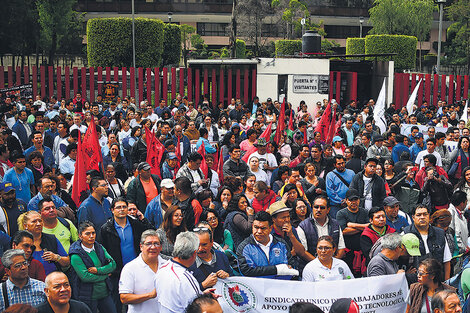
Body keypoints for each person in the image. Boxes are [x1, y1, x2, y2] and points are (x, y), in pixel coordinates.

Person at [99, 197, 151, 311]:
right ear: (112, 210)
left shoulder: (136, 224)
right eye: (118, 207)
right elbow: (102, 250)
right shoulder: (106, 229)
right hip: (116, 272)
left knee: (138, 301)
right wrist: (108, 269)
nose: (121, 210)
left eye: (124, 207)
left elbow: (148, 236)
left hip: (137, 269)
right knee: (117, 304)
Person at [68, 221, 117, 313]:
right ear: (80, 236)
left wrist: (98, 270)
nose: (91, 236)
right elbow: (85, 277)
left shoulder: (99, 247)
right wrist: (105, 275)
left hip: (105, 293)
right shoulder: (75, 254)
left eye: (93, 233)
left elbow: (113, 264)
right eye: (87, 233)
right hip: (87, 296)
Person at [237, 211, 298, 279]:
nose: (259, 231)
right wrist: (276, 269)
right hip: (257, 288)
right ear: (252, 227)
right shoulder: (244, 247)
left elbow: (291, 266)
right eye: (256, 227)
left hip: (282, 286)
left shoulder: (281, 244)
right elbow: (247, 271)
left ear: (270, 228)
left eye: (263, 228)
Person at [155, 231, 204, 313]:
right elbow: (198, 308)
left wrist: (202, 294)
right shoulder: (185, 278)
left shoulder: (162, 268)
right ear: (194, 253)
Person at [119, 230, 164, 313]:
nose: (153, 247)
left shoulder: (167, 266)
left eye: (156, 243)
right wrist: (150, 295)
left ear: (161, 247)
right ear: (141, 246)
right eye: (148, 244)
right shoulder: (130, 268)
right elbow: (124, 298)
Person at [403, 205, 452, 280]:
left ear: (429, 216)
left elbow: (447, 260)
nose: (422, 217)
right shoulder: (405, 234)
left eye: (425, 214)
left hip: (436, 280)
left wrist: (447, 281)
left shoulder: (440, 233)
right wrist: (405, 274)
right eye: (418, 215)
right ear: (413, 217)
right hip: (415, 281)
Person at [20, 211, 70, 275]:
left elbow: (67, 262)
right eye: (34, 221)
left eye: (40, 221)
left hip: (53, 278)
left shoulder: (51, 239)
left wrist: (56, 257)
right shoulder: (21, 242)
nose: (38, 224)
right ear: (25, 226)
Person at [268, 201, 314, 267]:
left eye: (288, 216)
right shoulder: (269, 233)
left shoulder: (291, 229)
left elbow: (301, 252)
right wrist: (290, 254)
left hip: (295, 266)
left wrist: (291, 235)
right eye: (283, 217)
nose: (287, 220)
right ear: (274, 219)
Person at [336, 188, 369, 277]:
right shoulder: (341, 213)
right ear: (346, 201)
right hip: (348, 252)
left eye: (356, 200)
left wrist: (352, 225)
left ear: (359, 200)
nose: (353, 202)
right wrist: (363, 227)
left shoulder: (364, 212)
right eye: (351, 200)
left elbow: (370, 227)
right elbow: (344, 231)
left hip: (363, 251)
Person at [447, 190, 469, 254]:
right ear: (462, 203)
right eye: (466, 202)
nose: (466, 205)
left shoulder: (459, 213)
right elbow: (456, 235)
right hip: (458, 252)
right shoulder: (451, 214)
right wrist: (463, 249)